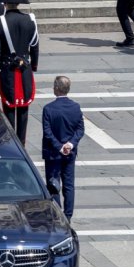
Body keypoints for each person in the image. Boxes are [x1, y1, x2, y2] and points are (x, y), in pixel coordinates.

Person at [0, 0, 39, 146]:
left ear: (5, 4)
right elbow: (34, 45)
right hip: (24, 68)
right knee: (24, 106)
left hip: (8, 69)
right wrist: (33, 65)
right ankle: (22, 142)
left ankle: (12, 142)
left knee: (9, 106)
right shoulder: (30, 20)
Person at [42, 76, 85, 222]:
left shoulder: (48, 109)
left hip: (53, 154)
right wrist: (70, 144)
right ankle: (68, 215)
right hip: (69, 153)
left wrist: (59, 147)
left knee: (53, 184)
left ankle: (56, 214)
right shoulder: (75, 107)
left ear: (56, 88)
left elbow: (47, 132)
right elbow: (80, 129)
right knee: (69, 185)